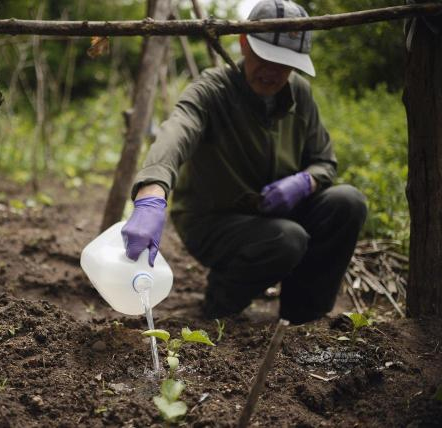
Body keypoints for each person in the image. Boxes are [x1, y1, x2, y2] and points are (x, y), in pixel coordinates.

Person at [120, 0, 367, 325]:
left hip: (276, 214)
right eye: (266, 57)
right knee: (286, 239)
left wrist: (305, 182)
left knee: (347, 202)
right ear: (244, 43)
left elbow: (324, 162)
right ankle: (221, 303)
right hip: (214, 221)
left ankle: (303, 315)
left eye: (285, 64)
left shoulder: (299, 94)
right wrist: (152, 191)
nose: (274, 72)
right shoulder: (213, 90)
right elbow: (175, 132)